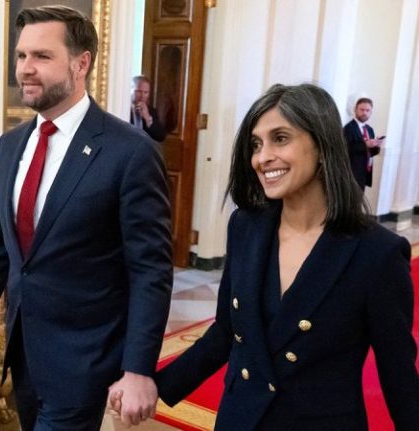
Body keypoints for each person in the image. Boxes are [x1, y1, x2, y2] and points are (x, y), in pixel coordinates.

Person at [109, 83, 419, 429]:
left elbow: (398, 373)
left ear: (322, 145)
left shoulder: (376, 252)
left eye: (280, 139)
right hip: (240, 418)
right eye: (256, 144)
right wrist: (156, 385)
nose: (261, 157)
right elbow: (226, 331)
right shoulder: (246, 227)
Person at [0, 6, 172, 430]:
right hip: (25, 354)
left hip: (86, 358)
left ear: (81, 63)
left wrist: (139, 368)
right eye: (21, 55)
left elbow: (150, 270)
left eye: (42, 56)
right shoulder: (9, 146)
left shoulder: (130, 152)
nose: (25, 69)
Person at [343, 97, 384, 190]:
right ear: (355, 110)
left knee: (359, 198)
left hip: (364, 172)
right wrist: (365, 144)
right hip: (351, 174)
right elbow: (345, 149)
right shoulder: (348, 128)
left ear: (371, 112)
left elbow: (371, 153)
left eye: (367, 110)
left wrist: (376, 146)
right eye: (362, 110)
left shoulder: (370, 129)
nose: (364, 113)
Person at [130, 75, 167, 142]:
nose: (142, 96)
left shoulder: (151, 111)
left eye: (146, 92)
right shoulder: (124, 108)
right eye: (139, 91)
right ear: (130, 90)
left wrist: (148, 118)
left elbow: (161, 137)